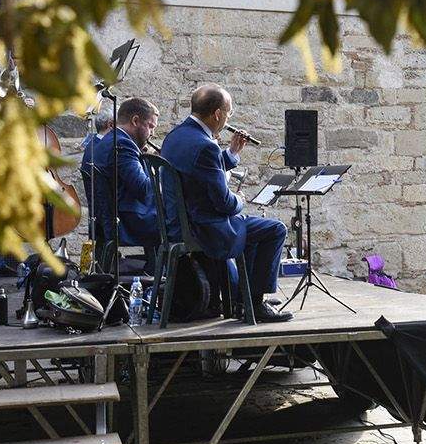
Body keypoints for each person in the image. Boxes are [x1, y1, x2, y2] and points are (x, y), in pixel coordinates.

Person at [159, 84, 291, 324]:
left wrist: (230, 153)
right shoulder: (206, 145)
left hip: (180, 221)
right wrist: (240, 200)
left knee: (252, 229)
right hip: (204, 228)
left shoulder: (175, 136)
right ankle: (254, 302)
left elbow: (200, 167)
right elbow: (224, 204)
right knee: (274, 230)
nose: (228, 118)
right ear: (217, 114)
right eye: (228, 113)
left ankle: (245, 298)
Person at [82, 96, 161, 255]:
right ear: (135, 121)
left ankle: (159, 270)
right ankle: (167, 274)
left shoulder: (110, 140)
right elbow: (144, 190)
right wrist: (160, 167)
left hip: (113, 217)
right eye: (151, 126)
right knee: (184, 219)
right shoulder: (122, 144)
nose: (152, 133)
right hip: (126, 220)